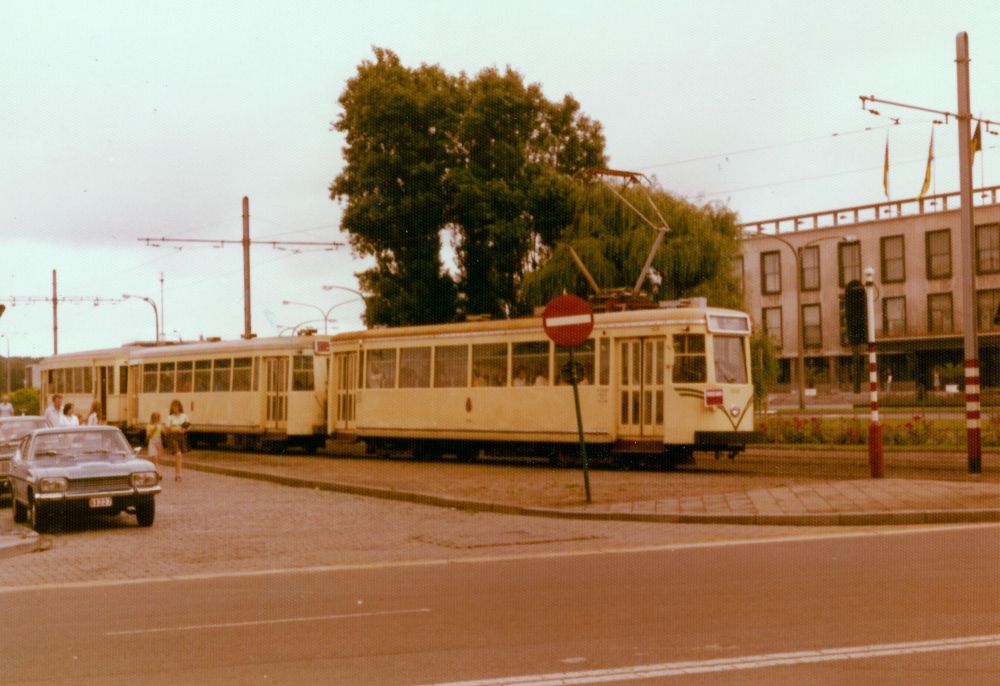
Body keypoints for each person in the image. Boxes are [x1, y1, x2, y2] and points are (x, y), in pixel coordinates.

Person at [163, 399, 189, 482]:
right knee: (178, 454)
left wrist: (185, 430)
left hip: (182, 437)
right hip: (173, 437)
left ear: (180, 407)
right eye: (174, 407)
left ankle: (178, 473)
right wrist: (176, 429)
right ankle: (178, 474)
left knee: (180, 456)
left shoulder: (184, 416)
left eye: (177, 406)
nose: (175, 408)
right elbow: (167, 429)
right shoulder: (169, 417)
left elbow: (188, 426)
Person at [146, 411, 164, 476]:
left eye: (158, 417)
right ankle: (159, 473)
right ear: (152, 418)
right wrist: (154, 429)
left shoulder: (160, 425)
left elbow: (164, 432)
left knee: (157, 460)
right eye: (155, 417)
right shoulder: (149, 425)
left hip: (159, 441)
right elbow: (148, 436)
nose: (156, 419)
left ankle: (154, 472)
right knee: (155, 458)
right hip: (152, 441)